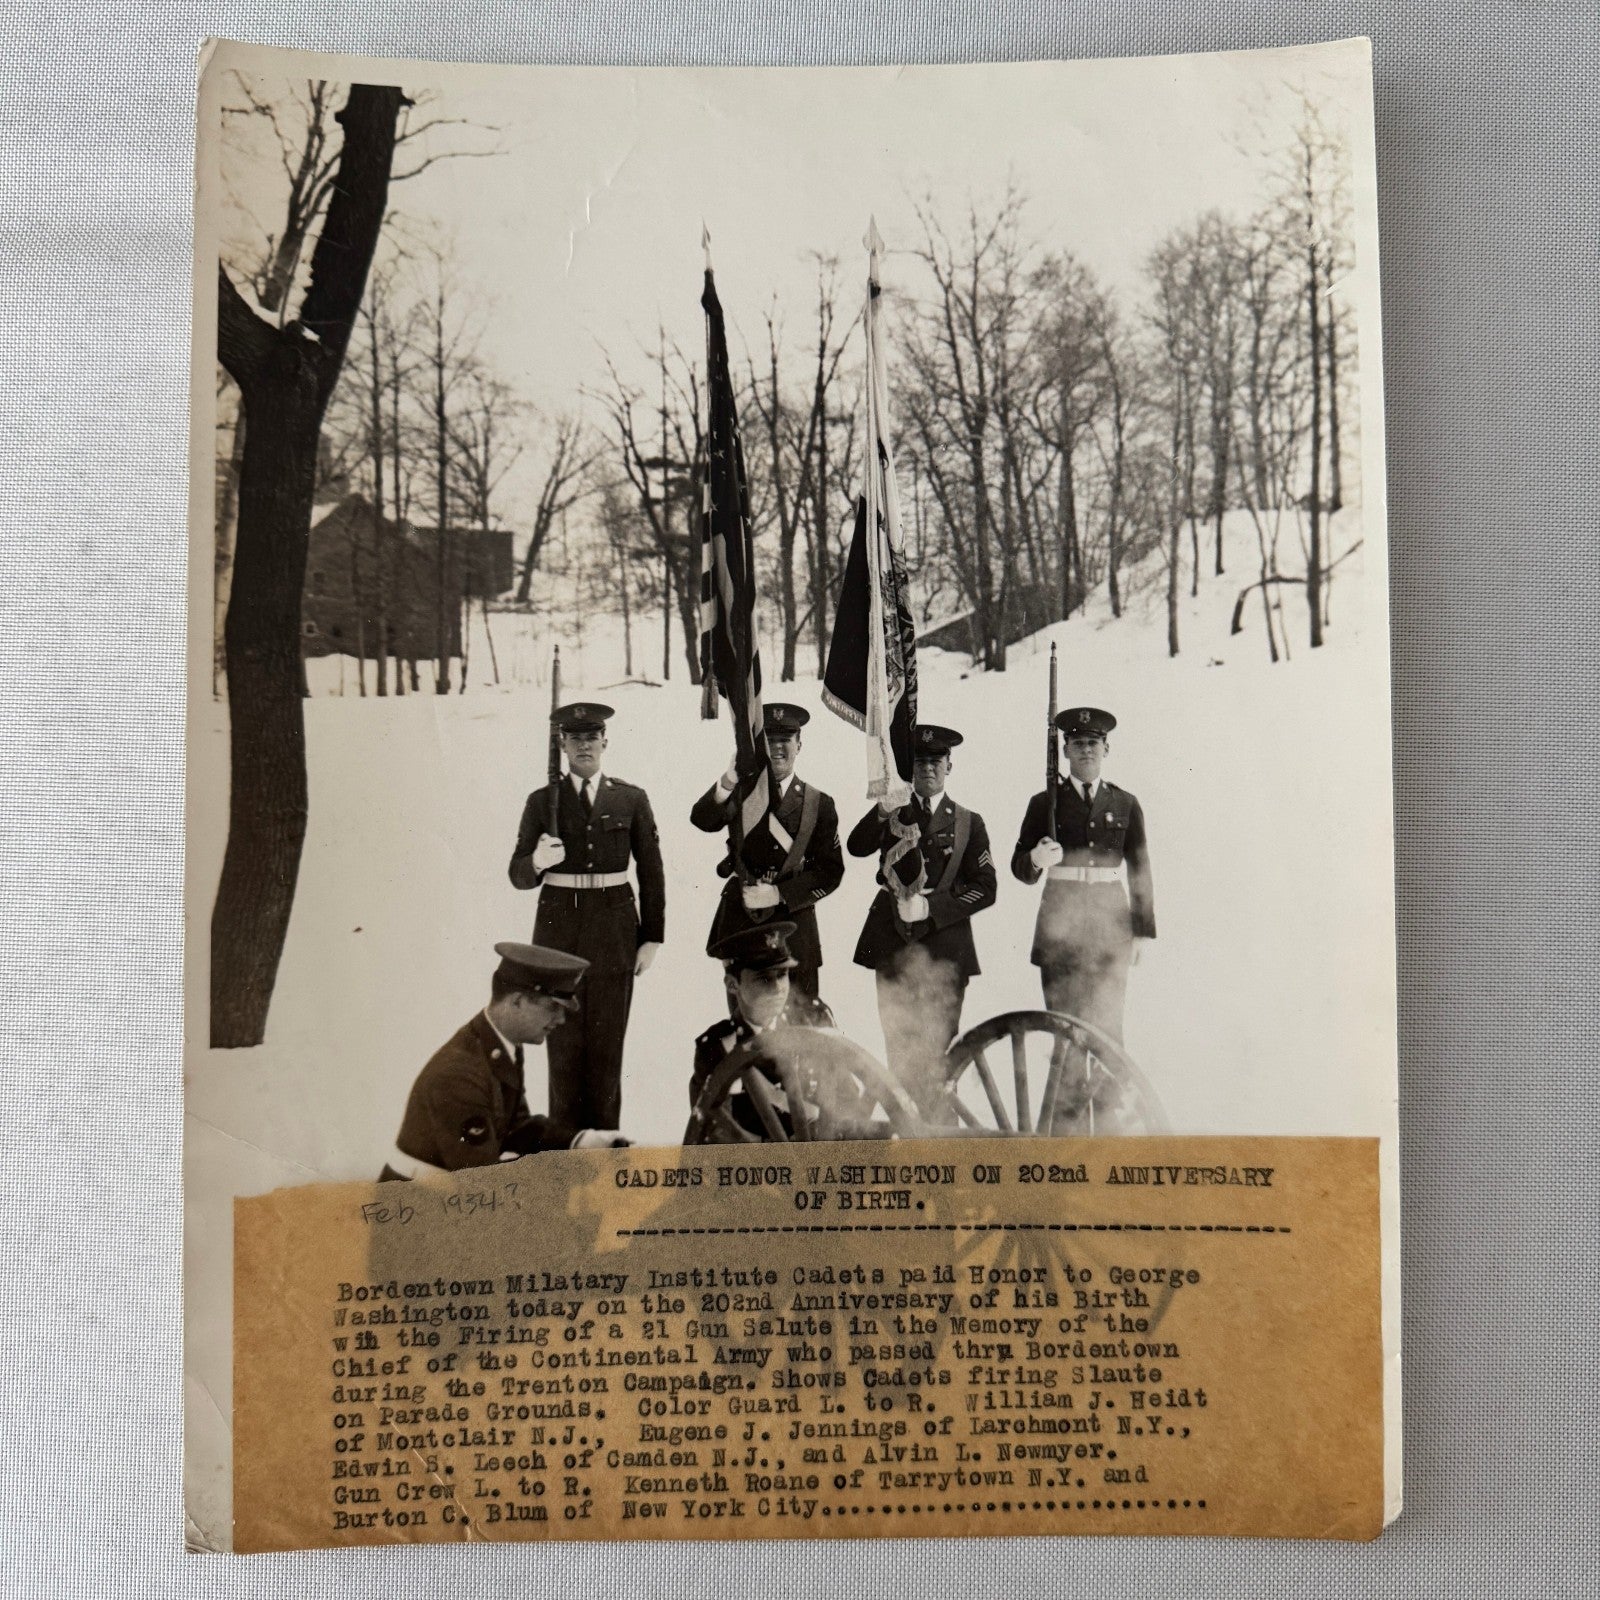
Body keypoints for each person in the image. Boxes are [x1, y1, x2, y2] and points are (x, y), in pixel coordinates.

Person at [508, 702, 665, 1130]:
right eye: (575, 738)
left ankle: (605, 1152)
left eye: (591, 737)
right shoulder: (541, 801)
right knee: (562, 1056)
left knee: (607, 1056)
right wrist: (537, 861)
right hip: (557, 942)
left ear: (604, 742)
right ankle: (564, 1153)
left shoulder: (631, 798)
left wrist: (652, 937)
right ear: (562, 745)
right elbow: (517, 874)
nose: (584, 746)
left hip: (615, 938)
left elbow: (651, 871)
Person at [846, 724, 997, 1109]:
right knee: (899, 1051)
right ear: (909, 768)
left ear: (950, 766)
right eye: (920, 762)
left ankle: (939, 1133)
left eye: (936, 761)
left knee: (942, 1057)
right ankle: (907, 1130)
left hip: (946, 949)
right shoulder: (893, 809)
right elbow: (856, 846)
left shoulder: (968, 822)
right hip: (893, 942)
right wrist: (882, 808)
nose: (928, 768)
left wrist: (932, 908)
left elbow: (986, 887)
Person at [383, 942, 628, 1180]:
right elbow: (482, 1182)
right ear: (517, 1001)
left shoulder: (499, 1043)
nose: (561, 1019)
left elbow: (516, 1127)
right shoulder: (459, 1074)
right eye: (553, 1007)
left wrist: (581, 1141)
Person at [1010, 706, 1155, 1042]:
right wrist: (1036, 858)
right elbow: (1021, 868)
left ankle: (1106, 1081)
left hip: (1111, 930)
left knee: (1108, 1031)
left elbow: (1140, 869)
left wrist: (1141, 932)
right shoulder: (1044, 803)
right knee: (1064, 1029)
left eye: (1093, 743)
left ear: (1106, 748)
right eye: (1078, 744)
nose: (1086, 750)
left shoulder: (1124, 803)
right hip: (1059, 931)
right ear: (1065, 751)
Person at [688, 702, 844, 1000]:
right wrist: (728, 780)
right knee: (747, 1018)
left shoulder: (819, 803)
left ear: (799, 745)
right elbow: (702, 820)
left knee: (801, 1020)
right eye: (769, 740)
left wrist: (779, 894)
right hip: (743, 919)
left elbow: (830, 871)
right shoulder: (740, 792)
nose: (777, 748)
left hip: (796, 926)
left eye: (785, 740)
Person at [687, 921, 837, 1139]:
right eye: (764, 978)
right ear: (732, 984)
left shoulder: (814, 1021)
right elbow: (712, 1130)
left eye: (782, 974)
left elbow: (847, 1098)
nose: (777, 988)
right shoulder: (716, 1047)